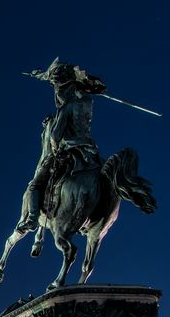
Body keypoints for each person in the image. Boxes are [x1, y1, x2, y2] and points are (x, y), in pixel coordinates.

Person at [17, 59, 107, 232]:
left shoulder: (66, 107)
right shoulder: (87, 103)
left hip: (69, 149)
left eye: (57, 87)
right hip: (89, 149)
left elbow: (55, 134)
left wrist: (55, 148)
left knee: (35, 185)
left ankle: (33, 220)